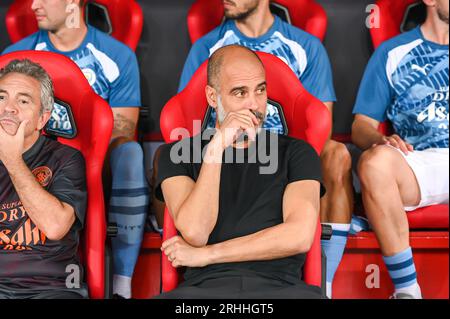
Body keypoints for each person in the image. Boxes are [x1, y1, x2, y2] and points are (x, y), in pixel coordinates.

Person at [152, 0, 351, 298]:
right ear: (212, 96)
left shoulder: (297, 153)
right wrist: (216, 148)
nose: (254, 105)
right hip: (203, 293)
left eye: (260, 90)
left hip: (282, 290)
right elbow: (195, 231)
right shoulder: (177, 154)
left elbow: (298, 236)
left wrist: (208, 255)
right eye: (239, 93)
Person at [2, 0, 148, 299]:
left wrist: (79, 157)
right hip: (22, 155)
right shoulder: (15, 57)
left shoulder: (116, 56)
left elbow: (122, 129)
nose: (33, 5)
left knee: (129, 153)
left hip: (88, 161)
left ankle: (122, 284)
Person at [352, 0, 449, 299]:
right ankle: (408, 290)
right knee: (374, 162)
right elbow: (361, 126)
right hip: (421, 161)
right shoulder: (393, 52)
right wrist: (379, 140)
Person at [0, 59, 87, 299]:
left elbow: (55, 226)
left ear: (42, 119)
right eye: (1, 97)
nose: (9, 107)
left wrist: (12, 161)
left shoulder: (66, 159)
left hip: (51, 288)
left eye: (23, 100)